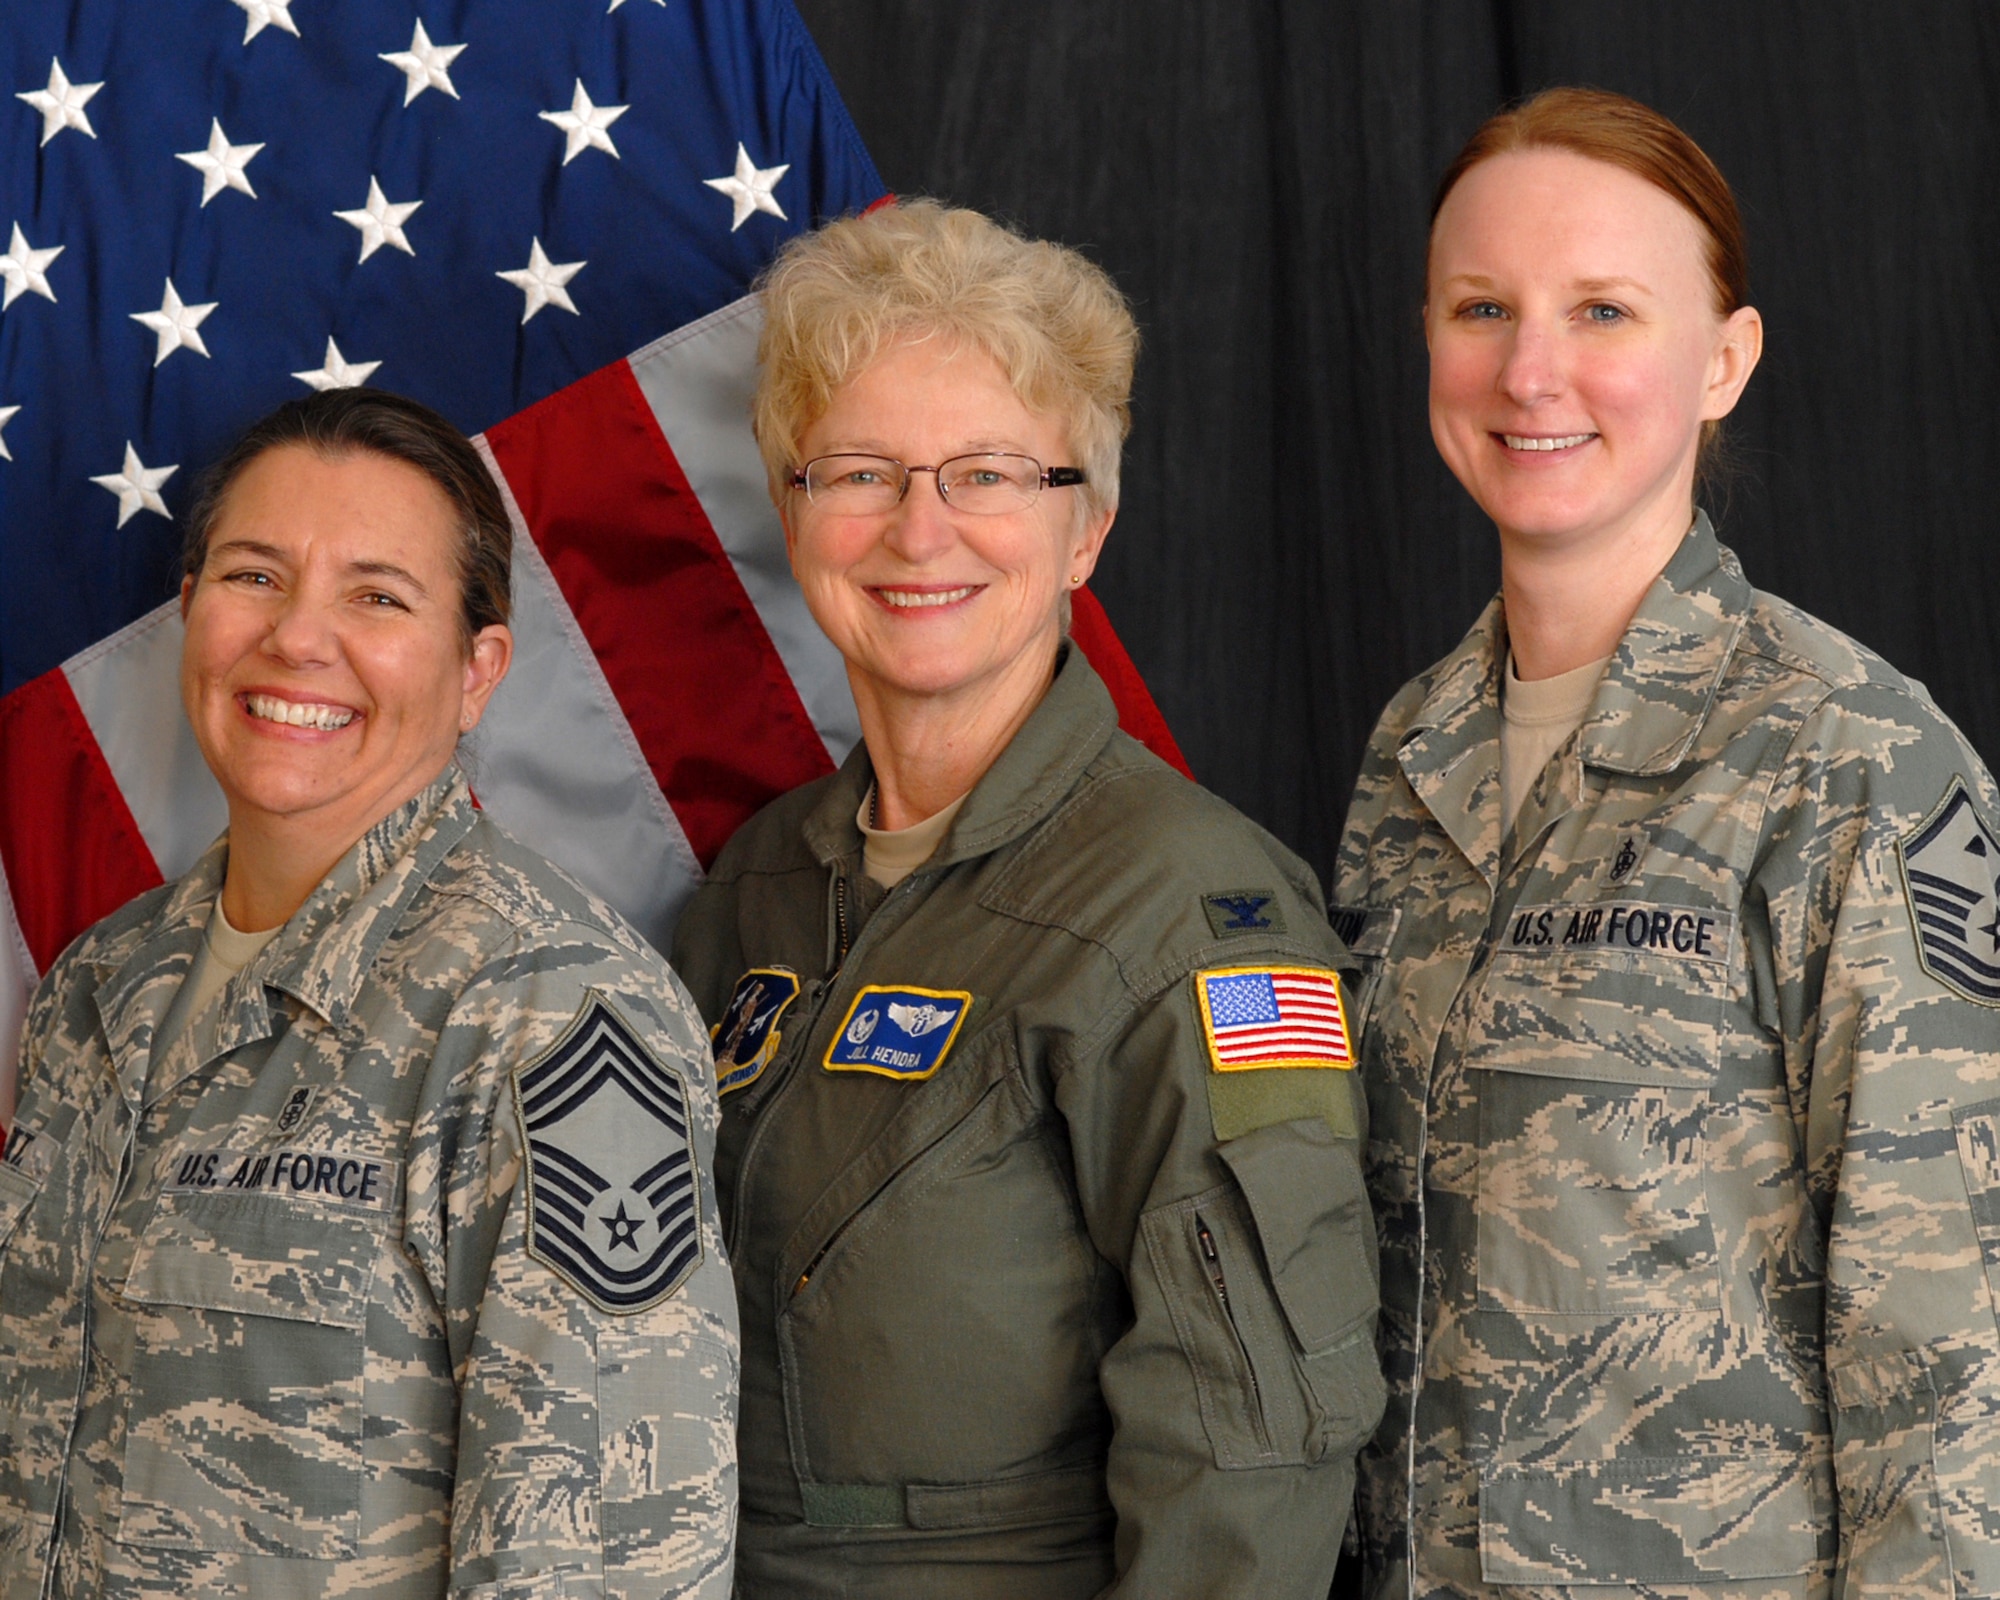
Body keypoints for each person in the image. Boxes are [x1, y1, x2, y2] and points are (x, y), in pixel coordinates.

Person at [1335, 87, 2000, 1599]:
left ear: (1724, 362)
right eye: (1481, 305)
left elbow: (1958, 1361)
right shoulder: (1410, 756)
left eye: (1606, 310)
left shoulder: (1855, 763)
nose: (1532, 368)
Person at [669, 199, 1384, 1597]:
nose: (918, 530)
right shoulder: (747, 893)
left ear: (1086, 532)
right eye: (860, 472)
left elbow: (1248, 1448)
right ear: (797, 512)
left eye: (989, 473)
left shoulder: (1193, 911)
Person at [0, 389, 737, 1598]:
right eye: (253, 576)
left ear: (475, 669)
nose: (297, 638)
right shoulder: (99, 988)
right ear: (188, 612)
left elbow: (606, 1563)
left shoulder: (549, 1013)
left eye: (377, 597)